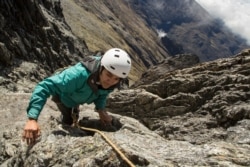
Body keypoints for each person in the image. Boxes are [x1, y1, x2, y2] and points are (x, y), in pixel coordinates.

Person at [22, 48, 132, 145]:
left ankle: (72, 114)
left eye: (116, 79)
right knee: (68, 119)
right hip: (63, 96)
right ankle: (65, 121)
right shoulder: (78, 75)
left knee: (74, 114)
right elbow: (44, 86)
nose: (111, 81)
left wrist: (101, 110)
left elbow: (101, 93)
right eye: (109, 75)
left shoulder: (110, 80)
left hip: (77, 95)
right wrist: (32, 119)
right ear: (101, 68)